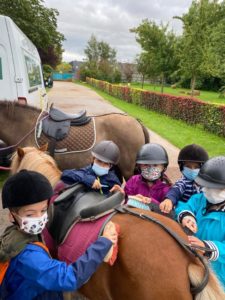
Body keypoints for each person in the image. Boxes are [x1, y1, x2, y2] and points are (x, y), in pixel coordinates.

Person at [0, 170, 118, 299]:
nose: (39, 218)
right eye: (30, 214)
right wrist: (103, 242)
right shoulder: (29, 258)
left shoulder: (13, 236)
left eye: (43, 210)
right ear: (12, 216)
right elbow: (69, 278)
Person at [175, 156, 225, 289]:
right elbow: (184, 206)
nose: (207, 190)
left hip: (219, 276)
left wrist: (206, 247)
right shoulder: (200, 199)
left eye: (215, 188)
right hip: (194, 264)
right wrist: (186, 216)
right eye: (206, 186)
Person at [160, 144, 209, 214]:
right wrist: (169, 200)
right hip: (184, 213)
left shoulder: (206, 183)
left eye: (196, 167)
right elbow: (176, 190)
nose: (192, 170)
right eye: (188, 166)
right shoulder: (183, 182)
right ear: (182, 167)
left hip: (201, 213)